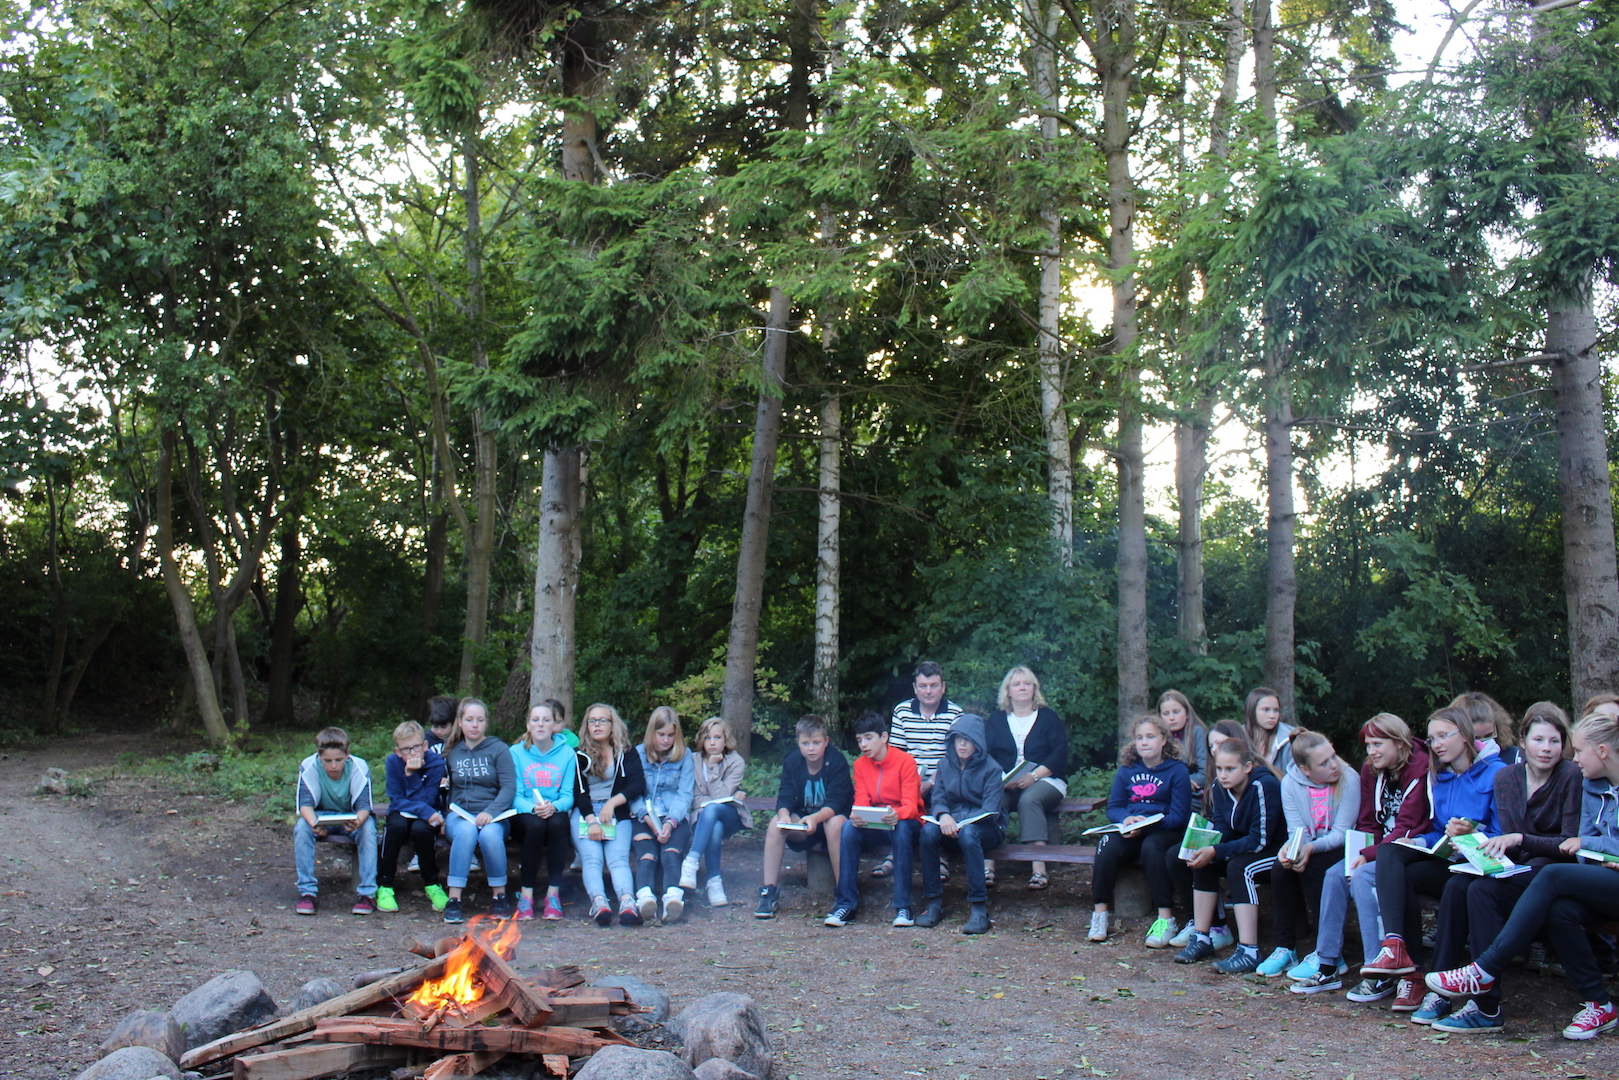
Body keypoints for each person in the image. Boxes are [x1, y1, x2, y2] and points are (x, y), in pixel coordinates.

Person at [1426, 712, 1619, 1039]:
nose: (1573, 757)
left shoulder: (1573, 777)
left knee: (1554, 876)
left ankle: (1484, 969)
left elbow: (1577, 841)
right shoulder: (1592, 786)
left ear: (1601, 751)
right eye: (1539, 740)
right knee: (1559, 911)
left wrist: (1592, 846)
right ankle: (1599, 1004)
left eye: (1578, 749)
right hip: (1597, 880)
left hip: (1588, 876)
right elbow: (1585, 841)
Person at [1362, 704, 1507, 1011]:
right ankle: (1401, 954)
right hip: (1448, 860)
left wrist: (1470, 832)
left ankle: (1432, 983)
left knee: (1449, 886)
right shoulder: (1438, 778)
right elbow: (1438, 830)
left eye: (1443, 736)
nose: (1436, 744)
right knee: (1392, 855)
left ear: (1465, 736)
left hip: (1480, 867)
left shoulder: (1497, 773)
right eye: (1432, 738)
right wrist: (1418, 839)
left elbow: (1503, 833)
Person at [1287, 712, 1432, 999]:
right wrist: (1360, 853)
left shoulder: (1420, 767)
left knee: (1364, 875)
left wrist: (1367, 857)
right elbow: (1367, 822)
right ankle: (1327, 965)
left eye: (1378, 744)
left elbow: (1409, 825)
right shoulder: (1371, 770)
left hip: (1411, 848)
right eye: (1367, 745)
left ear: (1399, 743)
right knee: (1334, 875)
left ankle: (1378, 970)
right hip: (1380, 849)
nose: (1371, 752)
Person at [1175, 738, 1284, 972]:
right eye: (1219, 769)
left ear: (1247, 767)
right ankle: (1202, 937)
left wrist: (1217, 850)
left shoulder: (1264, 786)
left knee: (1239, 868)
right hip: (1245, 849)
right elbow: (1224, 830)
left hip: (1275, 852)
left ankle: (1249, 951)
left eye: (1230, 769)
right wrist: (1205, 848)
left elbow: (1259, 841)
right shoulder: (1218, 787)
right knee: (1203, 862)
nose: (1223, 775)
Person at [1087, 714, 1192, 947]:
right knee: (1106, 844)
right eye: (1139, 737)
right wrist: (1127, 819)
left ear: (1164, 739)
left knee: (1152, 847)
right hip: (1132, 829)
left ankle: (1166, 920)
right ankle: (1100, 915)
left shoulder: (1177, 771)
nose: (1144, 742)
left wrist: (1149, 823)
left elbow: (1178, 816)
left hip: (1165, 830)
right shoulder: (1127, 770)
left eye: (1150, 736)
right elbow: (1114, 807)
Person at [1262, 730, 1359, 976]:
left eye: (1333, 757)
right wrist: (1290, 849)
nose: (1333, 765)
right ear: (1306, 770)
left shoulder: (1349, 778)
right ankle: (1285, 948)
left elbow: (1342, 832)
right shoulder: (1290, 782)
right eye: (1324, 763)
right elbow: (1297, 829)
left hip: (1346, 848)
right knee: (1280, 868)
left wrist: (1309, 848)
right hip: (1311, 845)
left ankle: (1328, 952)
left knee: (1315, 868)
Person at [825, 712, 923, 928]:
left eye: (868, 738)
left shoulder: (905, 761)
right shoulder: (860, 765)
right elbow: (861, 798)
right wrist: (859, 815)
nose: (863, 745)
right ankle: (845, 905)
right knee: (849, 828)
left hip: (905, 821)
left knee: (902, 828)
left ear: (884, 737)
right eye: (859, 740)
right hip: (876, 821)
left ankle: (903, 907)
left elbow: (911, 805)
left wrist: (896, 814)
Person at [756, 715, 853, 919]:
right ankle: (768, 891)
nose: (811, 748)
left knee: (834, 824)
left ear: (826, 742)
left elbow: (837, 802)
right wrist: (783, 814)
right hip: (803, 823)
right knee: (776, 824)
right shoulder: (792, 762)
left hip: (831, 820)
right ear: (798, 743)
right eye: (805, 743)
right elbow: (786, 795)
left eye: (816, 743)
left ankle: (844, 896)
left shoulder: (836, 761)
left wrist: (816, 818)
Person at [917, 714, 1006, 934]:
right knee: (928, 832)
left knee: (969, 834)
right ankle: (934, 903)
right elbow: (938, 799)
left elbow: (991, 811)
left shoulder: (992, 769)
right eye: (958, 739)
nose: (962, 744)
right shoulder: (945, 765)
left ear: (978, 742)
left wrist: (958, 821)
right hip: (953, 825)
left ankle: (978, 908)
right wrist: (944, 815)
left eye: (967, 740)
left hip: (988, 828)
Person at [984, 666, 1070, 891]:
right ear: (1008, 691)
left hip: (1047, 781)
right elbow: (987, 754)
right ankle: (987, 866)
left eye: (1027, 683)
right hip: (1007, 781)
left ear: (1034, 688)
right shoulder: (996, 720)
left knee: (1029, 799)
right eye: (1016, 684)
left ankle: (1038, 868)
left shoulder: (1048, 717)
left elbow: (1059, 755)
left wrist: (1033, 776)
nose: (1022, 687)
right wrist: (1004, 779)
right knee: (994, 797)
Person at [1165, 720, 1245, 951]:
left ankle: (1218, 927)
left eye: (1220, 743)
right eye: (1211, 746)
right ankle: (1200, 923)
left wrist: (1215, 847)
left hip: (1247, 847)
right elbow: (1218, 821)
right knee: (1178, 855)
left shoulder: (1256, 781)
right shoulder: (1217, 780)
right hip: (1225, 840)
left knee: (1207, 859)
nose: (1215, 750)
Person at [883, 661, 962, 879]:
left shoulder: (955, 714)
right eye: (923, 686)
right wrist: (913, 782)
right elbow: (897, 754)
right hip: (909, 775)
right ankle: (894, 853)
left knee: (939, 796)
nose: (928, 691)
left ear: (943, 687)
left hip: (943, 776)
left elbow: (954, 758)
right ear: (915, 688)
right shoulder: (902, 711)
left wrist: (931, 782)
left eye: (933, 685)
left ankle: (939, 855)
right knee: (896, 793)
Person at [441, 697, 515, 924]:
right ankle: (454, 899)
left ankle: (499, 896)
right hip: (460, 815)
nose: (475, 725)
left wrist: (490, 813)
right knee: (466, 832)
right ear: (460, 723)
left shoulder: (498, 749)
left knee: (490, 834)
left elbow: (509, 787)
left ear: (486, 723)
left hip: (494, 815)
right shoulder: (452, 752)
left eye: (480, 720)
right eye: (470, 720)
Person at [572, 703, 646, 926]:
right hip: (586, 813)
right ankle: (600, 902)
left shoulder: (626, 752)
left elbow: (637, 784)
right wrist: (591, 819)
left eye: (602, 720)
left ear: (613, 725)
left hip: (617, 812)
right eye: (592, 721)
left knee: (618, 860)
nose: (597, 725)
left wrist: (612, 803)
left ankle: (627, 903)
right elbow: (578, 790)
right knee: (592, 860)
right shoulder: (579, 754)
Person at [293, 726, 377, 916]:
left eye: (338, 760)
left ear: (347, 754)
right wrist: (315, 824)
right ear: (319, 756)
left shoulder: (359, 767)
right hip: (322, 816)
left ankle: (368, 893)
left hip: (350, 817)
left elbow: (365, 806)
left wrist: (358, 821)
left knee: (368, 828)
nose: (333, 766)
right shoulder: (308, 766)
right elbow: (304, 804)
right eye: (327, 761)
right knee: (301, 827)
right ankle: (307, 891)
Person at [508, 702, 577, 921]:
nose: (540, 724)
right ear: (528, 725)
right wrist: (533, 808)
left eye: (546, 720)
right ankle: (526, 896)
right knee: (536, 825)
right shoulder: (516, 752)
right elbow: (515, 796)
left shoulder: (567, 753)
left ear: (555, 725)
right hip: (525, 814)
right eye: (535, 720)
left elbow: (568, 794)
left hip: (554, 810)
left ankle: (553, 895)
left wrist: (554, 806)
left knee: (558, 823)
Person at [376, 720, 448, 914]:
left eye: (416, 747)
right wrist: (409, 773)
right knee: (395, 828)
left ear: (424, 745)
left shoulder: (435, 763)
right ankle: (385, 885)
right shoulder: (393, 762)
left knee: (421, 830)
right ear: (398, 751)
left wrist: (412, 775)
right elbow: (396, 799)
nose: (412, 753)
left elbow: (428, 798)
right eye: (406, 749)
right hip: (408, 812)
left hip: (427, 814)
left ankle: (432, 884)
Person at [633, 706, 695, 923]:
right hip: (644, 817)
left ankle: (673, 899)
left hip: (673, 816)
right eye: (661, 735)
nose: (666, 740)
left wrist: (669, 822)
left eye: (670, 735)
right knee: (647, 856)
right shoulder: (638, 754)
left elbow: (685, 794)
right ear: (652, 733)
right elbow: (633, 794)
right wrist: (650, 820)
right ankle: (645, 899)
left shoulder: (685, 756)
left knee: (671, 854)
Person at [681, 716, 751, 908]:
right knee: (714, 827)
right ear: (702, 740)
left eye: (717, 737)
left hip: (730, 815)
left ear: (725, 739)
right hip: (703, 818)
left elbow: (722, 797)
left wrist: (712, 767)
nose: (712, 742)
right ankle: (714, 883)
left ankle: (691, 862)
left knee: (713, 810)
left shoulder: (736, 762)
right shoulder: (693, 760)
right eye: (708, 738)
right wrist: (719, 797)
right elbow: (692, 798)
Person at [1159, 690, 1209, 794]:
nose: (1171, 718)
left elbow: (1205, 773)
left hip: (1194, 793)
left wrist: (1182, 782)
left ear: (1187, 713)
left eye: (1176, 712)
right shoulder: (1158, 738)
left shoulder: (1197, 732)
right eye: (1166, 714)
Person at [1453, 691, 1521, 766]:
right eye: (1476, 738)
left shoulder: (1514, 757)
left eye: (1488, 736)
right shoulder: (1448, 763)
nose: (1483, 744)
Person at [1243, 686, 1293, 775]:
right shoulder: (1237, 736)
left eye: (1276, 710)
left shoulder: (1290, 738)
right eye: (1266, 710)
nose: (1272, 716)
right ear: (1252, 710)